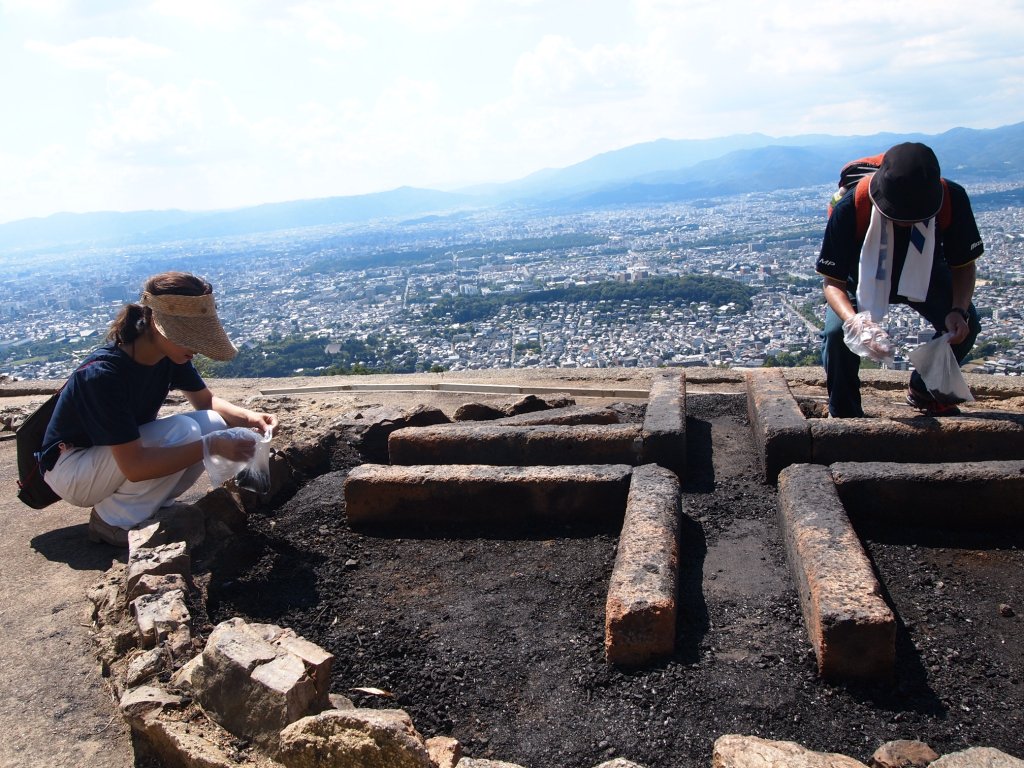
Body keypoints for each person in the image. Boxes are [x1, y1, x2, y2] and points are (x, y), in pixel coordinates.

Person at [40, 271, 278, 546]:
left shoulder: (170, 356)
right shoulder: (103, 375)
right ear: (155, 323)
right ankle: (111, 521)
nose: (196, 348)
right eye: (187, 337)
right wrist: (211, 446)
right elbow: (134, 467)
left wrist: (251, 418)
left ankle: (147, 508)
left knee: (211, 422)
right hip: (72, 469)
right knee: (187, 431)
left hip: (110, 458)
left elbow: (207, 402)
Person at [815, 142, 984, 417]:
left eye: (916, 216)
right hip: (862, 275)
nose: (905, 222)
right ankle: (845, 412)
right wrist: (855, 321)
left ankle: (924, 390)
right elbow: (832, 282)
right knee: (837, 334)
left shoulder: (951, 198)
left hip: (925, 269)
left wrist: (958, 309)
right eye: (897, 213)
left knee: (966, 325)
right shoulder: (851, 206)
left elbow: (964, 265)